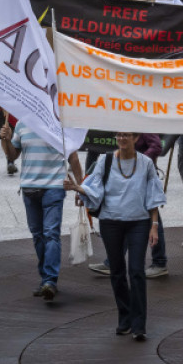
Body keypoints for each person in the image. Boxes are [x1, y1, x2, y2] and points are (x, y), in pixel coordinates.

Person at [66, 132, 165, 341]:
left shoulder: (146, 163)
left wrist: (154, 225)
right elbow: (94, 186)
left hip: (139, 222)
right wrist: (78, 188)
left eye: (126, 135)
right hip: (111, 222)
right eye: (119, 135)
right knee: (117, 271)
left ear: (136, 138)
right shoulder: (106, 160)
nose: (122, 138)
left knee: (136, 270)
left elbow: (153, 194)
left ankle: (139, 324)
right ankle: (125, 317)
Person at [1, 120, 84, 301]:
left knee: (51, 233)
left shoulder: (61, 125)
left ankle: (50, 280)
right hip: (29, 187)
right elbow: (12, 155)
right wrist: (6, 139)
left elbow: (74, 158)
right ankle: (46, 279)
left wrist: (81, 188)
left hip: (54, 187)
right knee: (38, 235)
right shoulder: (23, 123)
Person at [88, 134, 169, 278]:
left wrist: (139, 161)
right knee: (129, 217)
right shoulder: (130, 121)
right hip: (130, 176)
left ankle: (159, 262)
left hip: (141, 178)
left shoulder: (141, 123)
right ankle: (113, 262)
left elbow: (156, 146)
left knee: (152, 220)